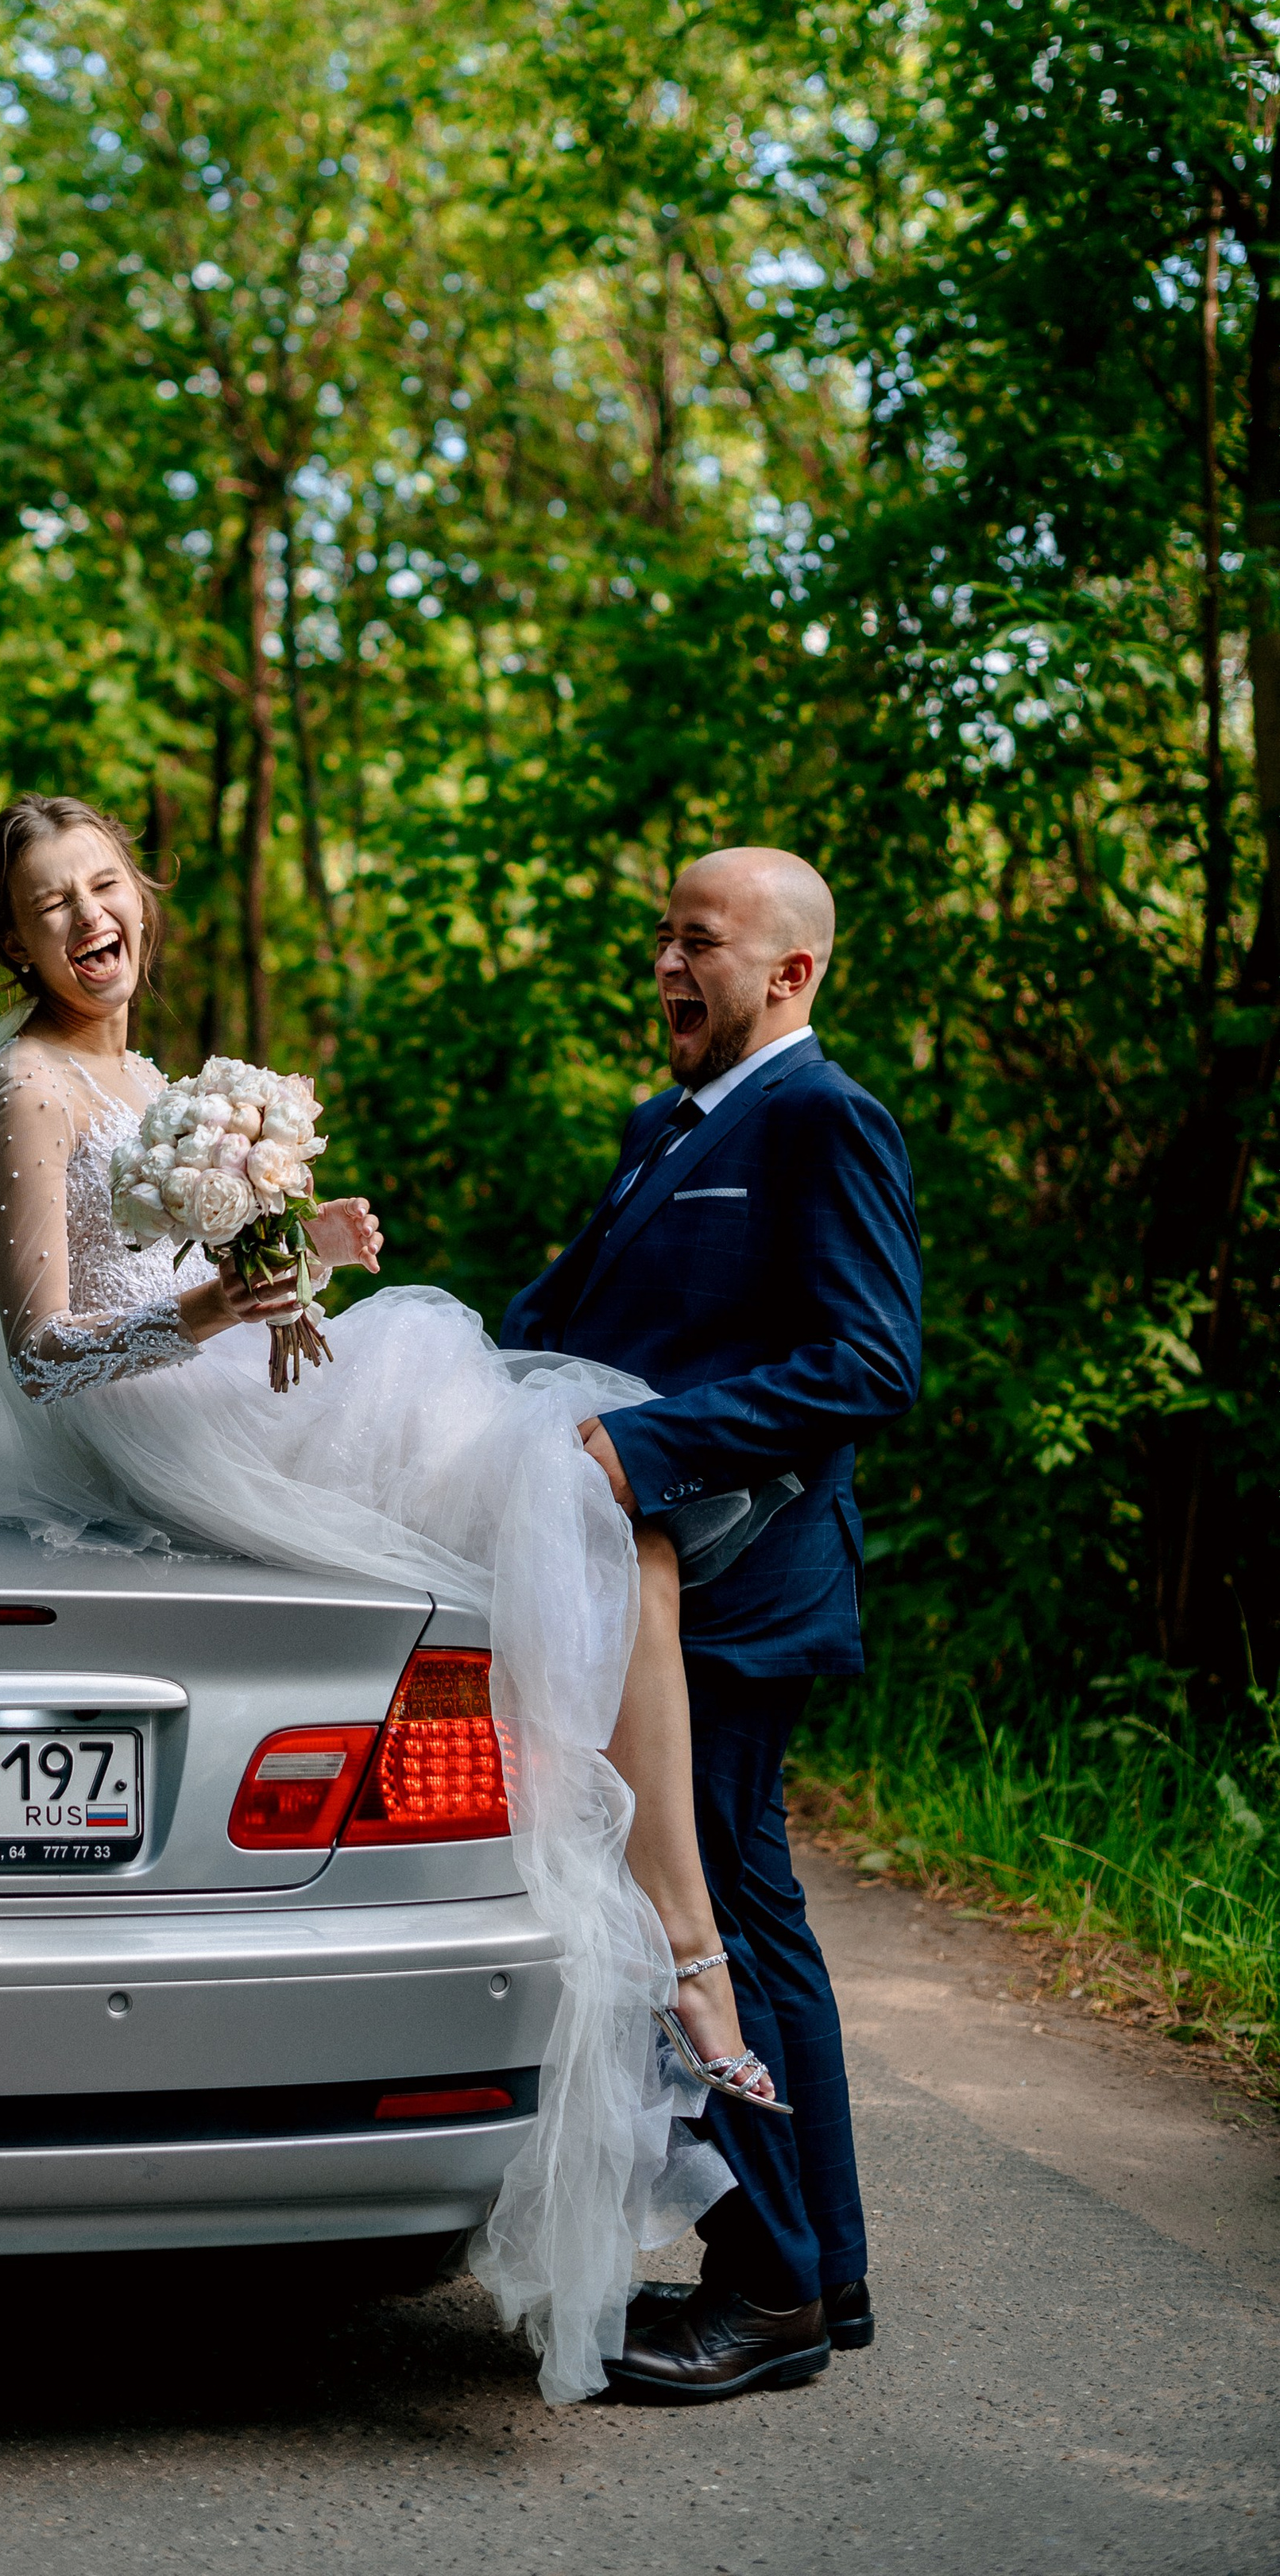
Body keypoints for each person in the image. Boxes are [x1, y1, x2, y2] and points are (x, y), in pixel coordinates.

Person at [0, 794, 791, 2405]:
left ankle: (681, 1954)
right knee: (572, 1494)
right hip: (143, 1432)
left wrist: (292, 1253)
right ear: (8, 938)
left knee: (587, 1510)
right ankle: (688, 1961)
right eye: (47, 904)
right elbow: (47, 1344)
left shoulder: (148, 1081)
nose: (88, 919)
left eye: (103, 886)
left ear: (140, 897)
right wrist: (234, 1295)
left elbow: (189, 1291)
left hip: (216, 1386)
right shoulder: (22, 1085)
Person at [501, 846, 922, 2401]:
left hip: (732, 1590)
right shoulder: (659, 1127)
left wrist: (646, 1447)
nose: (666, 965)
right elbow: (563, 1324)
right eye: (660, 938)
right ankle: (826, 2264)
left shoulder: (821, 1117)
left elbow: (870, 1360)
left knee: (715, 1920)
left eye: (698, 940)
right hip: (642, 1584)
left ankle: (766, 2286)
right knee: (751, 1908)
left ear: (789, 971)